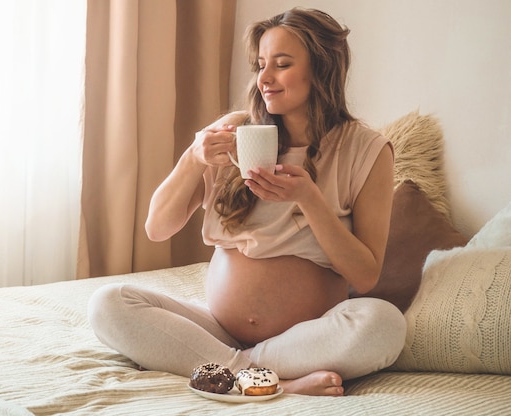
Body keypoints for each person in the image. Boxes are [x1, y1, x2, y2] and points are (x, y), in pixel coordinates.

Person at [88, 8, 406, 396]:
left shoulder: (365, 150)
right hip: (220, 330)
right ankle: (268, 379)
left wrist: (309, 198)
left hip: (302, 339)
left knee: (384, 324)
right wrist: (193, 156)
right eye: (260, 65)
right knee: (109, 302)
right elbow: (158, 228)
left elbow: (365, 275)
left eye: (282, 64)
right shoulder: (235, 132)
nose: (264, 79)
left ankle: (220, 367)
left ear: (321, 69)